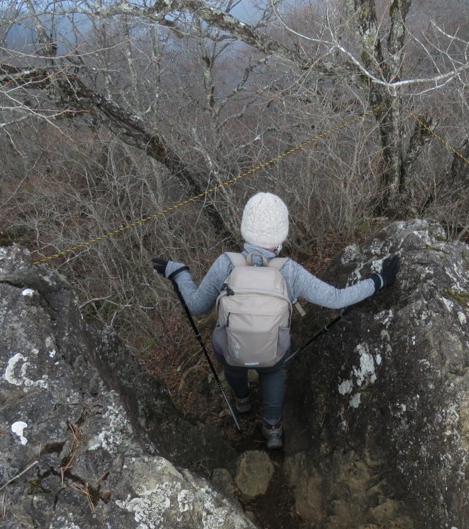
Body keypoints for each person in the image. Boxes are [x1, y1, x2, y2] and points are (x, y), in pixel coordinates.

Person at [152, 192, 400, 449]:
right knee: (273, 374)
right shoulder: (289, 271)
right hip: (274, 350)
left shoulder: (226, 264)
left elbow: (197, 306)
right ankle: (272, 429)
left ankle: (243, 400)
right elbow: (337, 299)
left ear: (245, 228)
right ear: (282, 233)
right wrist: (378, 281)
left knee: (233, 365)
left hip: (229, 348)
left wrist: (178, 272)